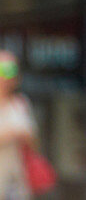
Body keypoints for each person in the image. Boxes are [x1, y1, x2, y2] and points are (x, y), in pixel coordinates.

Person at [0, 52, 36, 200]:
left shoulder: (20, 103)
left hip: (17, 181)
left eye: (11, 71)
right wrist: (9, 134)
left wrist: (25, 136)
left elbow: (34, 143)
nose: (6, 78)